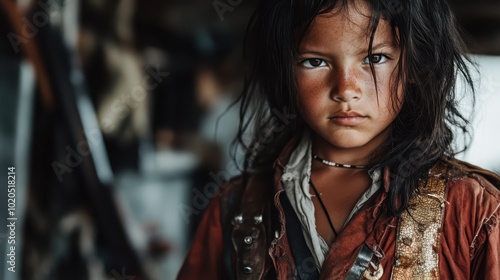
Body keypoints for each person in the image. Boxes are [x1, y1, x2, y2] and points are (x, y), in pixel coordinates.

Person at [177, 0, 500, 279]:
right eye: (315, 61)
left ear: (415, 64)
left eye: (375, 59)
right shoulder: (237, 208)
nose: (345, 89)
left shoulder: (473, 210)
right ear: (286, 72)